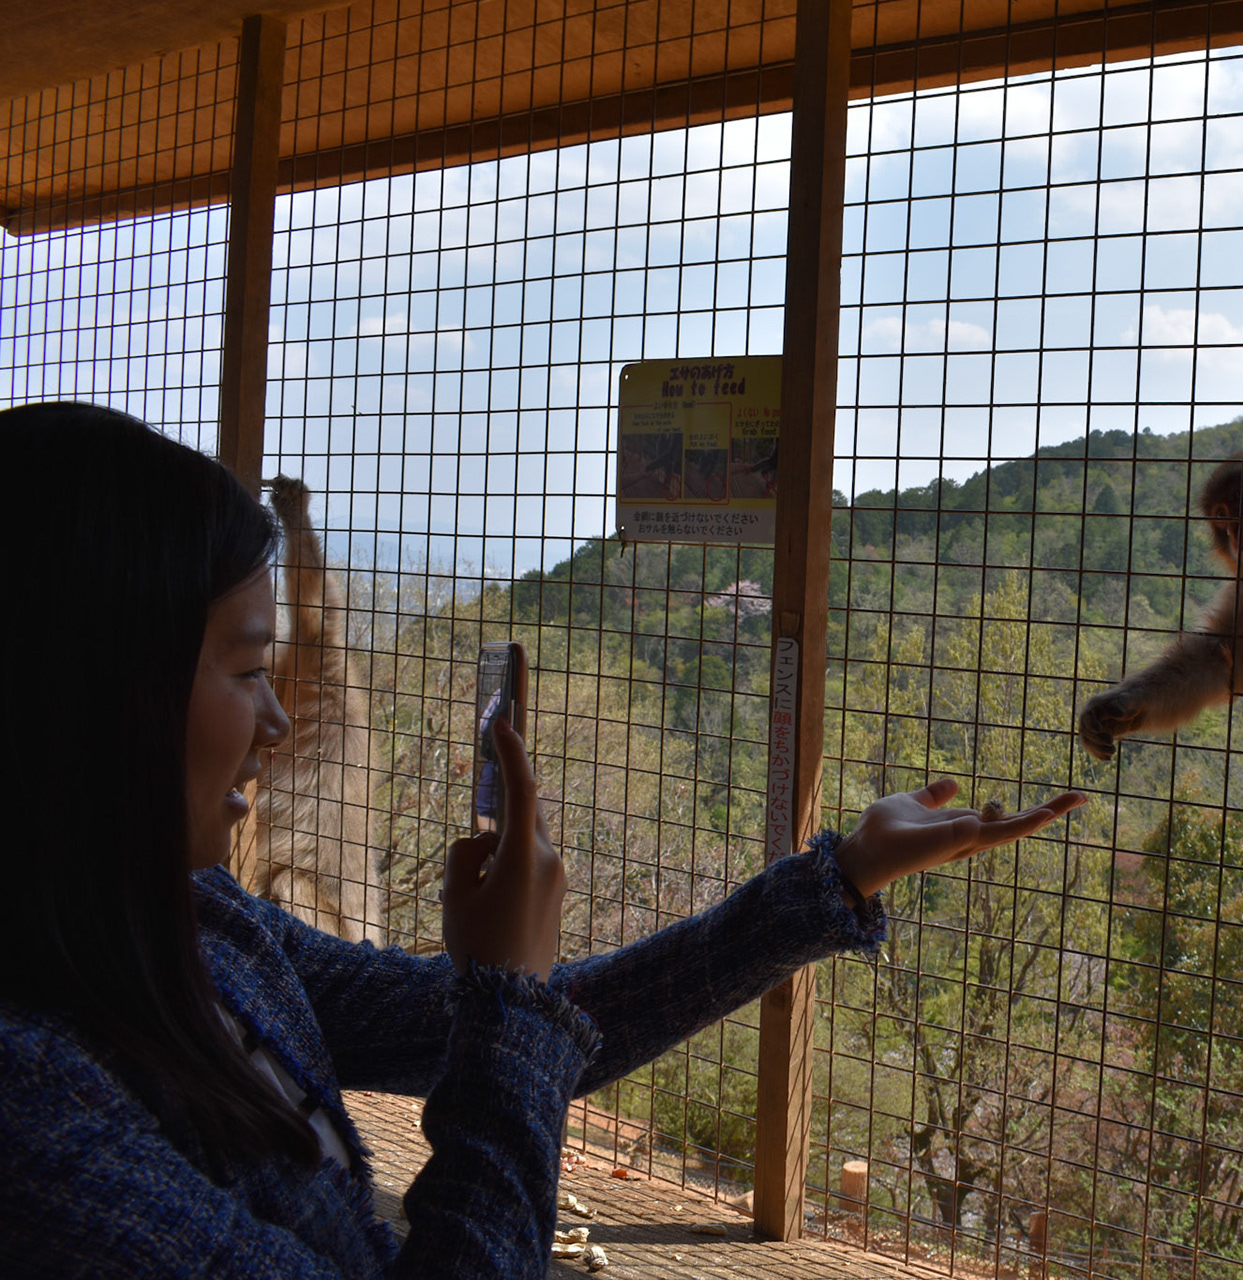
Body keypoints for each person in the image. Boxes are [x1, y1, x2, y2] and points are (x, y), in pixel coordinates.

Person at [0, 401, 1085, 1276]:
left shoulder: (200, 926)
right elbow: (514, 1037)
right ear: (91, 692)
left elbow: (556, 1033)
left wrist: (834, 881)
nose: (277, 724)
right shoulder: (38, 1124)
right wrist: (509, 995)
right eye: (247, 670)